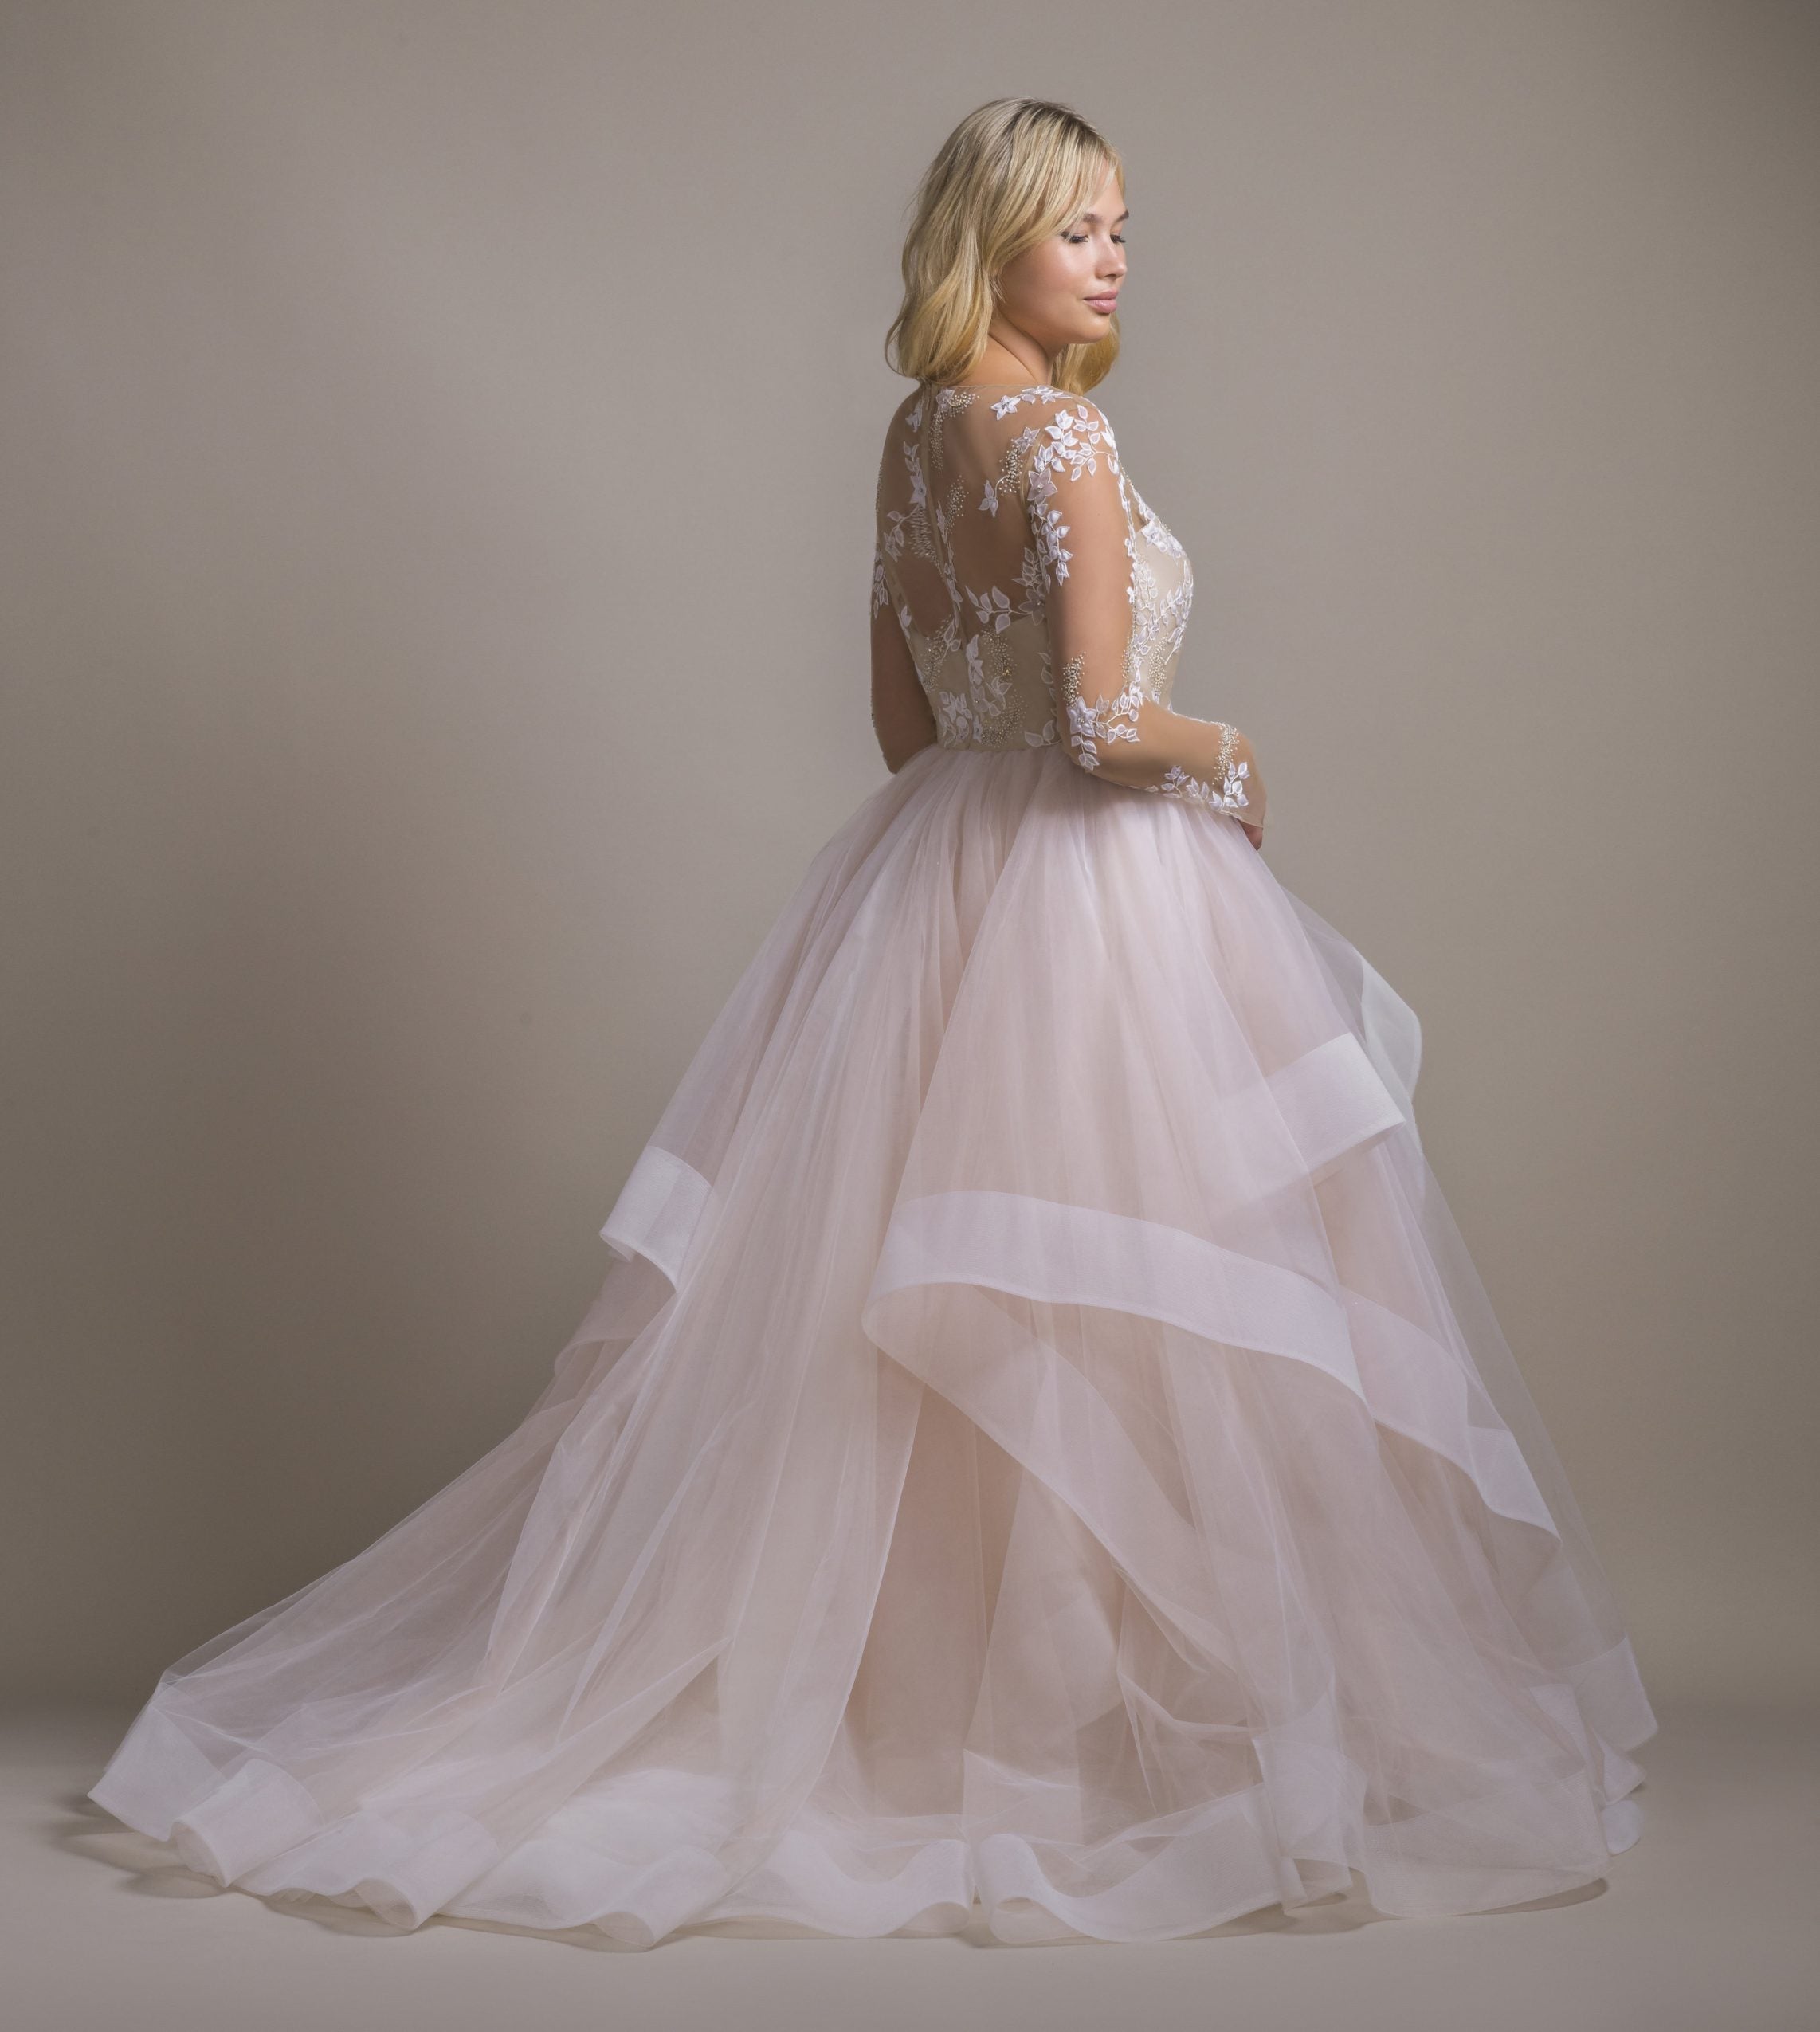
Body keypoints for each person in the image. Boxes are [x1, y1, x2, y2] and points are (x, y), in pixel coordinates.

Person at [86, 96, 1655, 1948]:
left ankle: (949, 1711)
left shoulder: (915, 437)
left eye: (1123, 230)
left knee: (929, 1300)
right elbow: (1100, 728)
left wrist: (1011, 735)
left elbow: (908, 732)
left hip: (930, 890)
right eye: (1077, 229)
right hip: (1092, 892)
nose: (1113, 262)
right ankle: (1085, 1734)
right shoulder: (1061, 435)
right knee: (1110, 1289)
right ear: (990, 240)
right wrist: (1230, 752)